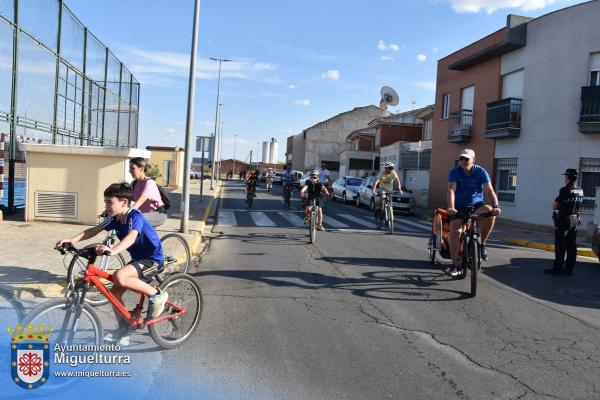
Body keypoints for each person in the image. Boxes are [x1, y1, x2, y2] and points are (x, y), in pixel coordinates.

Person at [55, 182, 168, 346]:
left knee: (119, 276)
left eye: (110, 202)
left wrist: (113, 250)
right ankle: (124, 330)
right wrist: (71, 240)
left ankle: (157, 294)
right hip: (138, 260)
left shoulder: (134, 216)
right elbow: (93, 230)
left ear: (124, 202)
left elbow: (132, 236)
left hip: (153, 259)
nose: (106, 205)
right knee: (113, 294)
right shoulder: (114, 219)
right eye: (105, 202)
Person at [447, 149, 501, 277]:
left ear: (473, 160)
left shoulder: (480, 171)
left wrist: (496, 206)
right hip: (459, 205)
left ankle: (481, 244)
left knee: (490, 213)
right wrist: (451, 207)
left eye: (467, 159)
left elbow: (490, 190)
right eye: (462, 159)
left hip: (476, 205)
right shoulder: (455, 172)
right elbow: (451, 190)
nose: (464, 161)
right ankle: (455, 264)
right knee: (456, 231)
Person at [545, 169, 583, 276]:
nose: (564, 178)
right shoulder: (580, 190)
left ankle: (557, 268)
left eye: (565, 176)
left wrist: (562, 206)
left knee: (560, 245)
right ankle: (569, 270)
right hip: (575, 219)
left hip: (564, 219)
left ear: (567, 177)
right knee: (572, 245)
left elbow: (554, 206)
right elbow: (579, 205)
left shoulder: (564, 190)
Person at [129, 157, 167, 228]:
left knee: (134, 220)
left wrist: (129, 211)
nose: (129, 170)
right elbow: (125, 199)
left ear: (141, 168)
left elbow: (141, 200)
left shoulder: (149, 183)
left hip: (157, 214)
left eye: (132, 168)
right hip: (144, 214)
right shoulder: (134, 184)